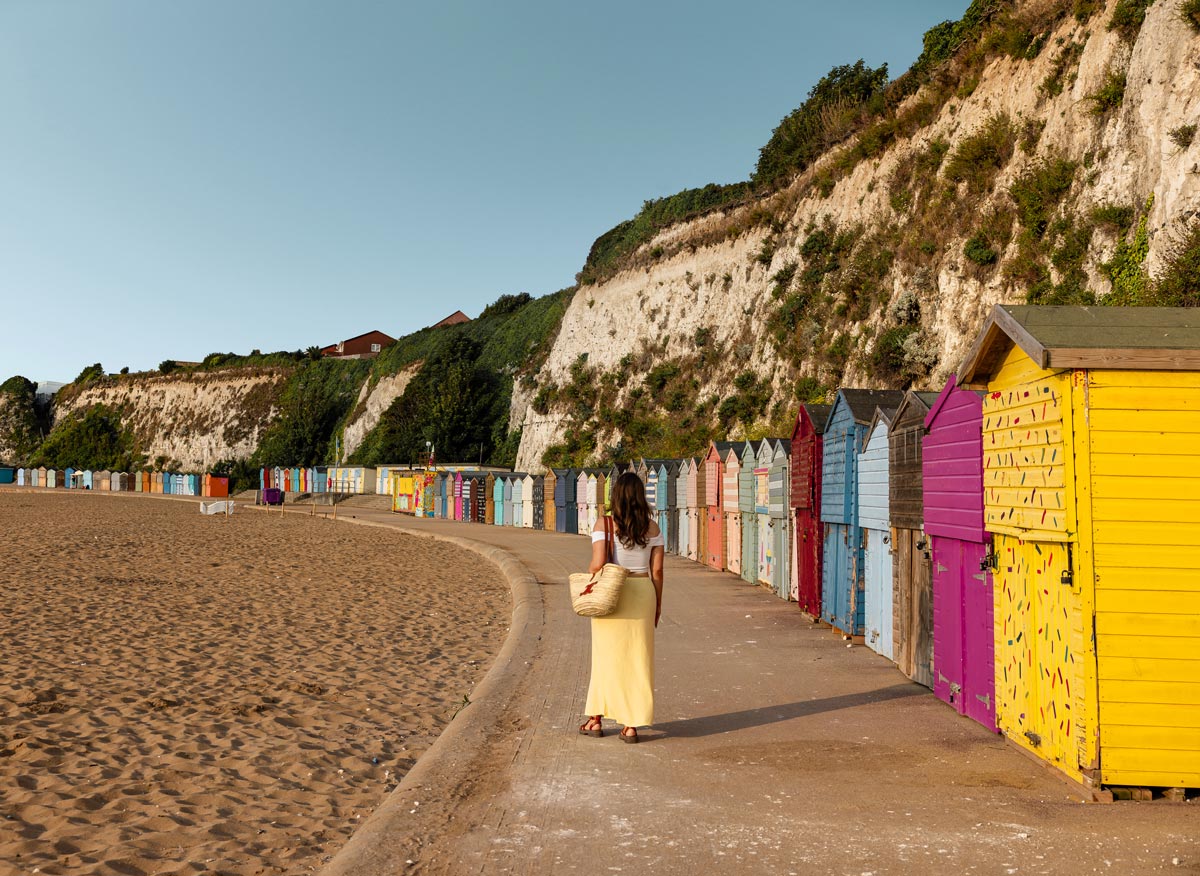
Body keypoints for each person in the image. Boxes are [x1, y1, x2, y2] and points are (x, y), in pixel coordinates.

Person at [578, 471, 664, 744]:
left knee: (604, 658)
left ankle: (596, 720)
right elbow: (658, 571)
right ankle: (630, 725)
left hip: (612, 594)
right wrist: (658, 605)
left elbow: (597, 564)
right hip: (643, 593)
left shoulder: (602, 525)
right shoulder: (653, 528)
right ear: (641, 498)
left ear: (615, 496)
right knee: (638, 660)